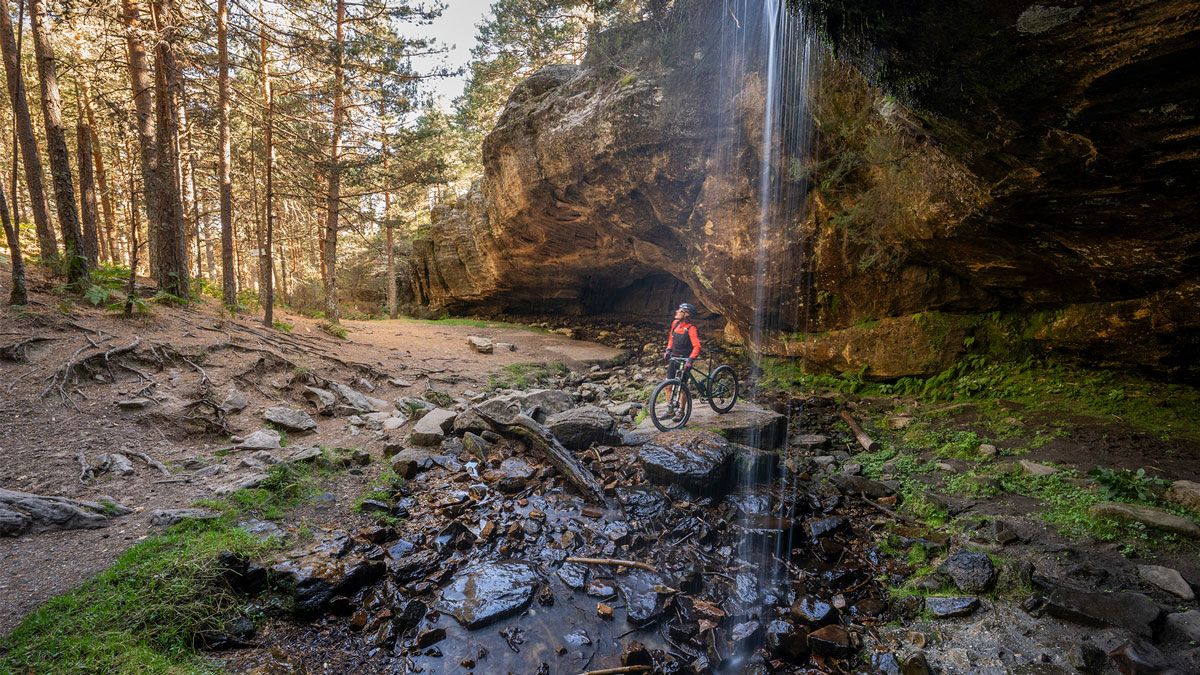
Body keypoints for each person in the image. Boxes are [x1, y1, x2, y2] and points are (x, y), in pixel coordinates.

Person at [663, 303, 701, 419]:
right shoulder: (675, 324)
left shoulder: (691, 328)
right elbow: (671, 338)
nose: (676, 312)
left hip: (685, 360)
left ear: (686, 314)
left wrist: (690, 359)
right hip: (674, 358)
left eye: (679, 310)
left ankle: (681, 411)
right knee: (668, 385)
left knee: (682, 386)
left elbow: (697, 346)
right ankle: (670, 410)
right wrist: (668, 350)